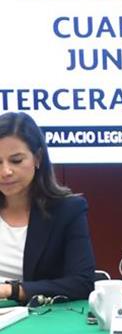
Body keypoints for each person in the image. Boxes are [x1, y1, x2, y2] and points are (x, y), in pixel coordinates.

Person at [0, 112, 96, 302]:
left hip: (34, 315)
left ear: (37, 158)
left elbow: (82, 282)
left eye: (16, 160)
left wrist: (12, 291)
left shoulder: (68, 210)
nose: (5, 171)